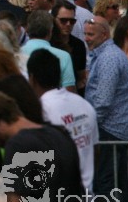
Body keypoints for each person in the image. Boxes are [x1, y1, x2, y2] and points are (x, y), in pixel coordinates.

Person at [84, 15, 128, 202]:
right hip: (115, 129)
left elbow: (102, 101)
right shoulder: (106, 55)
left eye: (90, 34)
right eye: (85, 34)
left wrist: (89, 127)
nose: (86, 38)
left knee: (107, 186)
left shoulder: (108, 58)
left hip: (109, 130)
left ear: (104, 34)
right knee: (118, 186)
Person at [27, 49, 98, 192]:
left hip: (56, 197)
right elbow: (95, 149)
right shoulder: (84, 105)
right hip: (85, 194)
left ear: (32, 78)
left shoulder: (40, 110)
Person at [21, 10, 77, 91]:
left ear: (27, 29)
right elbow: (69, 90)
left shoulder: (15, 54)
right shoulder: (64, 56)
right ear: (51, 31)